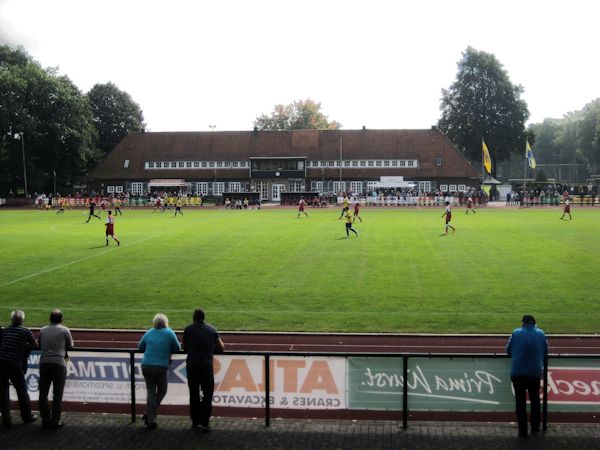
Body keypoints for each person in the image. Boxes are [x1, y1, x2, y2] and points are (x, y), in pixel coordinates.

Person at [505, 315, 548, 438]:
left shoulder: (516, 333)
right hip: (534, 373)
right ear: (534, 324)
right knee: (535, 401)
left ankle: (522, 431)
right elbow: (545, 352)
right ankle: (535, 428)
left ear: (523, 323)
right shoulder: (541, 334)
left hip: (518, 373)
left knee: (520, 403)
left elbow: (508, 351)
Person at [183, 309, 225, 432]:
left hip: (192, 364)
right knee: (207, 394)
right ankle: (204, 422)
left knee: (194, 393)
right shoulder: (212, 330)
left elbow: (184, 347)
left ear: (193, 318)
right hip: (206, 365)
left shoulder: (188, 329)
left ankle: (195, 421)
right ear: (204, 318)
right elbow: (221, 348)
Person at [138, 313, 181, 430]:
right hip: (161, 366)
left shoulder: (149, 332)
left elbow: (140, 347)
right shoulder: (169, 332)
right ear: (165, 323)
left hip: (146, 365)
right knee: (162, 390)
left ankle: (149, 415)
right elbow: (177, 348)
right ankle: (150, 417)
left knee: (151, 391)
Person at [0, 310, 38, 427]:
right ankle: (26, 417)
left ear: (11, 320)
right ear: (22, 320)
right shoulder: (25, 331)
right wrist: (24, 346)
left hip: (1, 362)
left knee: (2, 391)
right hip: (14, 363)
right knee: (21, 390)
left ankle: (6, 419)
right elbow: (35, 345)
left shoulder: (5, 330)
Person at [39, 309, 74, 429]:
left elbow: (39, 346)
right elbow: (70, 346)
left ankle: (45, 419)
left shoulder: (43, 330)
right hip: (59, 363)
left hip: (44, 362)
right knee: (57, 394)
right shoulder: (65, 330)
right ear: (61, 319)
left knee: (43, 393)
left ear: (49, 319)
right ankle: (54, 420)